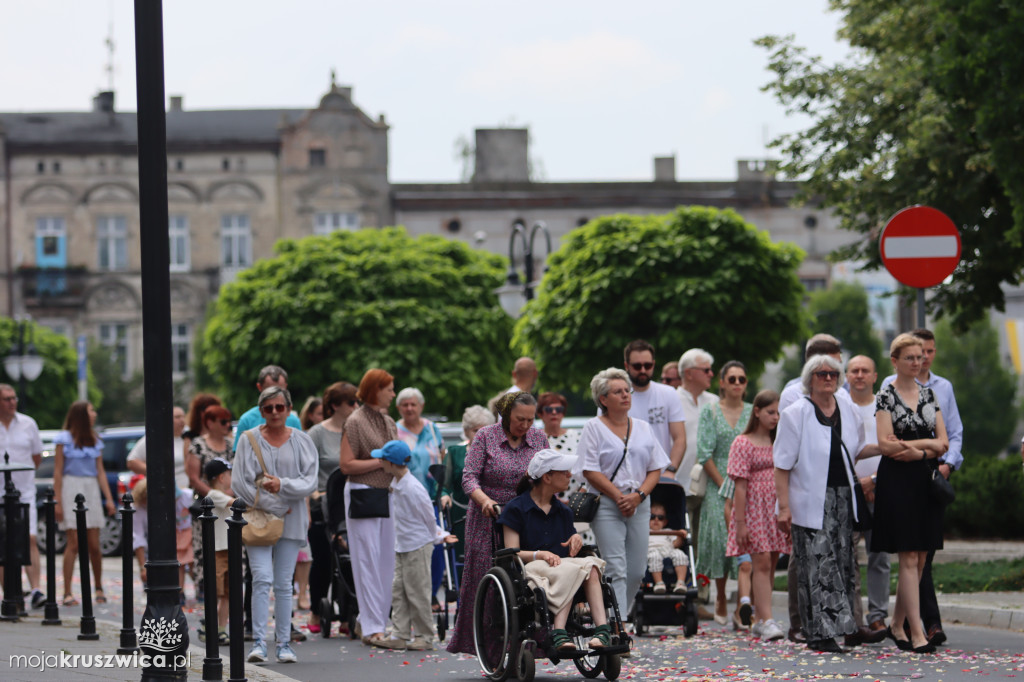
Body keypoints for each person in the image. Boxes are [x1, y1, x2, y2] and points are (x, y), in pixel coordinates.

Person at [774, 355, 867, 654]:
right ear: (809, 379)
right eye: (821, 373)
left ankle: (837, 629)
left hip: (842, 497)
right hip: (809, 500)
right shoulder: (795, 413)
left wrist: (894, 447)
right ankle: (817, 633)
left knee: (840, 564)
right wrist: (784, 507)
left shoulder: (848, 409)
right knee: (815, 567)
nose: (828, 378)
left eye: (833, 373)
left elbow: (858, 447)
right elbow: (782, 465)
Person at [447, 391, 549, 656]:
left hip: (525, 514)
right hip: (488, 515)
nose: (525, 426)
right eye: (519, 419)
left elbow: (549, 475)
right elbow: (469, 478)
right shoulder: (485, 436)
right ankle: (490, 647)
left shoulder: (539, 438)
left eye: (530, 420)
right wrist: (485, 501)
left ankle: (530, 643)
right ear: (505, 415)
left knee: (528, 579)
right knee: (488, 579)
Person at [879, 328, 962, 647]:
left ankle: (897, 623)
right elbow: (885, 445)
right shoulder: (886, 394)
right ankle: (917, 631)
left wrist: (918, 450)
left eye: (921, 356)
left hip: (925, 478)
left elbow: (945, 442)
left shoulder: (931, 395)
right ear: (895, 361)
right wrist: (924, 447)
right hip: (898, 479)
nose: (918, 361)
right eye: (911, 357)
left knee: (922, 557)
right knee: (908, 556)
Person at [234, 386, 318, 664]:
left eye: (279, 407)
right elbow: (239, 483)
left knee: (283, 583)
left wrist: (283, 484)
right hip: (259, 519)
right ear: (261, 411)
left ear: (289, 409)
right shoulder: (249, 439)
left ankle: (283, 643)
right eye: (268, 408)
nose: (274, 413)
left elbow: (310, 481)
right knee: (261, 578)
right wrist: (275, 504)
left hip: (293, 520)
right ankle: (258, 642)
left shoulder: (303, 441)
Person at [576, 368, 668, 620]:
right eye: (618, 392)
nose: (626, 395)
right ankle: (618, 627)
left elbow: (655, 467)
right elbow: (589, 470)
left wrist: (638, 495)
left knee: (637, 569)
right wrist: (619, 496)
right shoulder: (593, 428)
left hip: (639, 503)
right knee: (616, 566)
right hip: (606, 504)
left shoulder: (643, 427)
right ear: (603, 399)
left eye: (627, 391)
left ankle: (617, 615)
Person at [500, 449, 611, 651]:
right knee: (573, 569)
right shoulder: (515, 508)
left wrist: (576, 538)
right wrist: (539, 554)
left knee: (592, 566)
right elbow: (511, 553)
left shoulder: (564, 511)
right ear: (547, 477)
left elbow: (569, 548)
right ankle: (558, 632)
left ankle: (602, 631)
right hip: (531, 569)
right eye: (564, 471)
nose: (570, 475)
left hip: (561, 565)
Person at [372, 440, 456, 651]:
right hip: (403, 545)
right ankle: (399, 633)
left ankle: (424, 636)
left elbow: (428, 517)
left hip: (418, 545)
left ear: (392, 462)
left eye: (383, 459)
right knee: (399, 590)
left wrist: (439, 535)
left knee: (418, 590)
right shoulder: (397, 485)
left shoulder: (412, 488)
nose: (380, 462)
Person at [339, 369, 399, 648]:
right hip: (362, 492)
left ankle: (377, 621)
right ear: (375, 389)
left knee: (387, 562)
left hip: (387, 493)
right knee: (367, 561)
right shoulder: (355, 421)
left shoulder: (388, 420)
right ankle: (373, 626)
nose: (393, 393)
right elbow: (346, 465)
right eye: (389, 388)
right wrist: (381, 462)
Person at [725, 389, 789, 641]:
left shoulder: (780, 441)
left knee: (772, 563)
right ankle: (768, 619)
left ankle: (762, 618)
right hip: (754, 509)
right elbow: (739, 486)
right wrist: (739, 523)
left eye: (778, 413)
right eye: (770, 412)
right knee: (760, 563)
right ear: (757, 412)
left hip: (776, 508)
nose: (775, 417)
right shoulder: (743, 442)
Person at [696, 360, 753, 625]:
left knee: (746, 545)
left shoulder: (753, 412)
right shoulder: (710, 411)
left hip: (747, 487)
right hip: (717, 484)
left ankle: (743, 602)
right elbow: (704, 453)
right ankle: (720, 595)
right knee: (720, 541)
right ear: (722, 383)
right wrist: (724, 486)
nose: (737, 384)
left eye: (742, 379)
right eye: (732, 379)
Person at [306, 381, 358, 634]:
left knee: (350, 560)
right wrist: (314, 492)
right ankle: (317, 607)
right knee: (324, 559)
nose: (356, 406)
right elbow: (306, 470)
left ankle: (349, 614)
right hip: (322, 502)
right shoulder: (316, 433)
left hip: (350, 503)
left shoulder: (357, 430)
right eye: (351, 402)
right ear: (335, 405)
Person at [53, 401, 115, 606]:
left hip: (91, 489)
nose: (95, 414)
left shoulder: (95, 440)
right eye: (91, 410)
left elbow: (100, 471)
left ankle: (98, 587)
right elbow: (58, 471)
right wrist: (58, 501)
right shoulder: (63, 439)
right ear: (81, 414)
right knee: (73, 544)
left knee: (95, 546)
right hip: (71, 488)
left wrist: (109, 499)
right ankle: (67, 591)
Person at [845, 355, 889, 645]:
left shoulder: (884, 407)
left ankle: (878, 614)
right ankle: (851, 615)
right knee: (846, 559)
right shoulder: (839, 407)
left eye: (865, 371)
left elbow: (892, 448)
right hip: (848, 493)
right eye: (854, 371)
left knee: (879, 556)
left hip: (881, 490)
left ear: (875, 377)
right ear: (847, 376)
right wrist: (856, 484)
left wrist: (872, 481)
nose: (859, 375)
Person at [186, 404, 233, 621]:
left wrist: (228, 495)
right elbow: (194, 478)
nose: (227, 426)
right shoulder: (198, 445)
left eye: (228, 421)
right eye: (223, 422)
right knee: (207, 562)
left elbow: (236, 474)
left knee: (229, 569)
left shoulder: (231, 445)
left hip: (228, 508)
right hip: (207, 509)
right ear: (210, 423)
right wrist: (216, 497)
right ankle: (209, 616)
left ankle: (220, 622)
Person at [0, 384, 45, 608]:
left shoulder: (28, 424)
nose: (12, 402)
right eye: (6, 399)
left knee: (30, 538)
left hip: (24, 491)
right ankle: (10, 593)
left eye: (13, 398)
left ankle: (36, 589)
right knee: (3, 543)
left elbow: (37, 457)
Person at [623, 339, 686, 477]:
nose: (643, 370)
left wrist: (671, 470)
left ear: (654, 364)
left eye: (648, 365)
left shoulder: (668, 393)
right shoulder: (615, 396)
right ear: (626, 366)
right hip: (626, 479)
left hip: (661, 477)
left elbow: (680, 438)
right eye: (637, 366)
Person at [676, 348, 719, 549]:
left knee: (705, 542)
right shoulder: (672, 400)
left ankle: (702, 581)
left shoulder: (714, 401)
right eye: (706, 369)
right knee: (682, 539)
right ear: (689, 373)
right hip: (678, 482)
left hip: (709, 483)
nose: (711, 373)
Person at [440, 405, 496, 558]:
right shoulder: (455, 452)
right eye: (476, 430)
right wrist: (444, 495)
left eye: (486, 430)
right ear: (466, 432)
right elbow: (443, 484)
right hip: (460, 514)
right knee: (461, 556)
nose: (482, 434)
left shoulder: (497, 455)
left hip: (490, 512)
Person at [234, 365, 302, 450]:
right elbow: (239, 456)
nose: (274, 412)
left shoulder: (294, 421)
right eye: (270, 390)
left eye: (280, 389)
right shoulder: (247, 420)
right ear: (259, 387)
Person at [204, 457, 235, 646]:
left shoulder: (218, 494)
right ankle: (209, 626)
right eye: (230, 475)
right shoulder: (214, 495)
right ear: (222, 477)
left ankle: (221, 628)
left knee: (227, 594)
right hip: (217, 551)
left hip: (227, 549)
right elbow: (235, 503)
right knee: (216, 591)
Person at [126, 405, 191, 489]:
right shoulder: (156, 437)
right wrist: (157, 472)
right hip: (166, 491)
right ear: (167, 419)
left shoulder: (189, 436)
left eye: (183, 416)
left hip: (188, 493)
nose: (182, 420)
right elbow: (131, 462)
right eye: (177, 417)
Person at [718, 477, 753, 630]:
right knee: (745, 566)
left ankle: (755, 613)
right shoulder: (734, 475)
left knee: (760, 571)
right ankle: (743, 605)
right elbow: (728, 506)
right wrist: (733, 532)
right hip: (742, 529)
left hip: (761, 528)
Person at [646, 502, 688, 594]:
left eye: (660, 518)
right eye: (652, 517)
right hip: (652, 551)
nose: (656, 520)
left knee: (680, 554)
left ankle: (680, 582)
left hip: (668, 550)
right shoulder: (645, 532)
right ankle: (659, 583)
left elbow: (676, 544)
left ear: (665, 521)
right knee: (654, 557)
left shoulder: (668, 531)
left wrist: (680, 535)